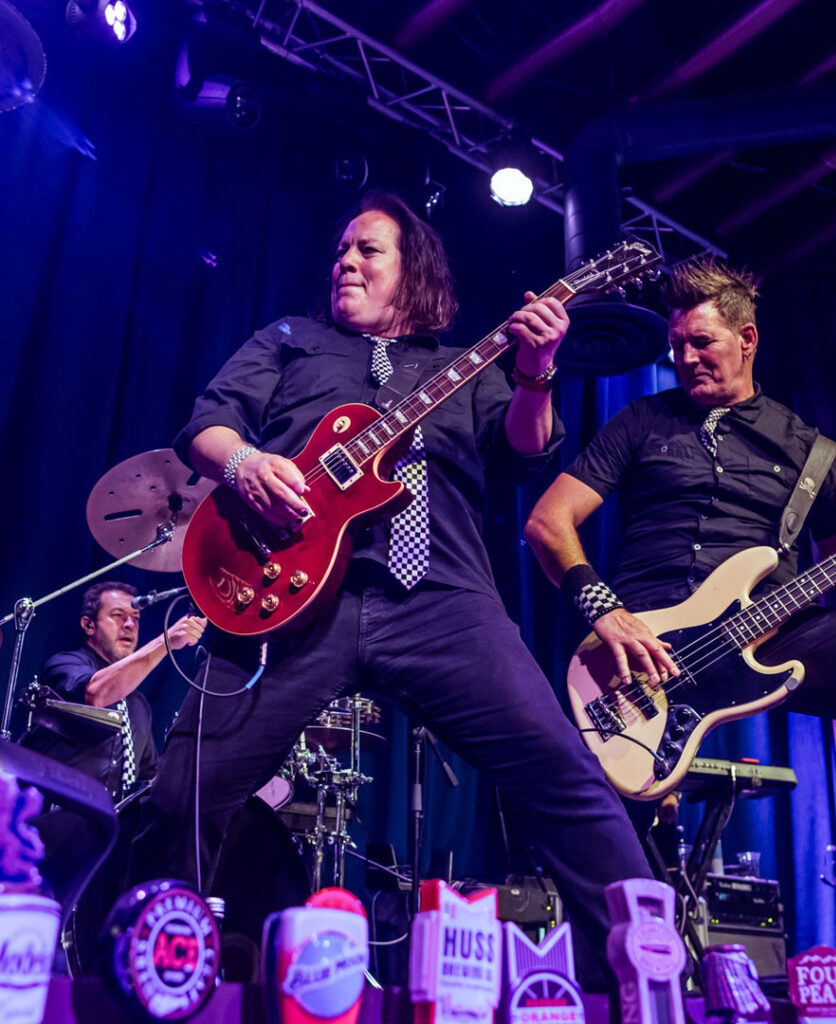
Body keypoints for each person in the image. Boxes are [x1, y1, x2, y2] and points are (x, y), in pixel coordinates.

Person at [129, 191, 652, 957]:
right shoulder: (290, 339)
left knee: (564, 775)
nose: (345, 261)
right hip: (291, 595)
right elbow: (206, 425)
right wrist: (245, 463)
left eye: (367, 250)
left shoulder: (461, 367)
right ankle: (153, 966)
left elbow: (525, 451)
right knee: (184, 793)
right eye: (340, 250)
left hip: (444, 600)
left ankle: (648, 967)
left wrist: (537, 372)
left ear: (415, 274)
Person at [524, 256, 836, 861]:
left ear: (747, 339)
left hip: (775, 632)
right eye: (676, 344)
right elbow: (548, 523)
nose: (684, 358)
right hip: (641, 650)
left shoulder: (811, 451)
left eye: (701, 342)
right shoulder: (641, 421)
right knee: (603, 855)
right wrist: (606, 612)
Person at [27, 580, 206, 801]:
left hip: (111, 828)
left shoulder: (139, 704)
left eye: (136, 618)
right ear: (88, 625)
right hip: (52, 813)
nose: (129, 624)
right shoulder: (65, 663)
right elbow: (96, 694)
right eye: (118, 615)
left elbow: (150, 775)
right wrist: (166, 641)